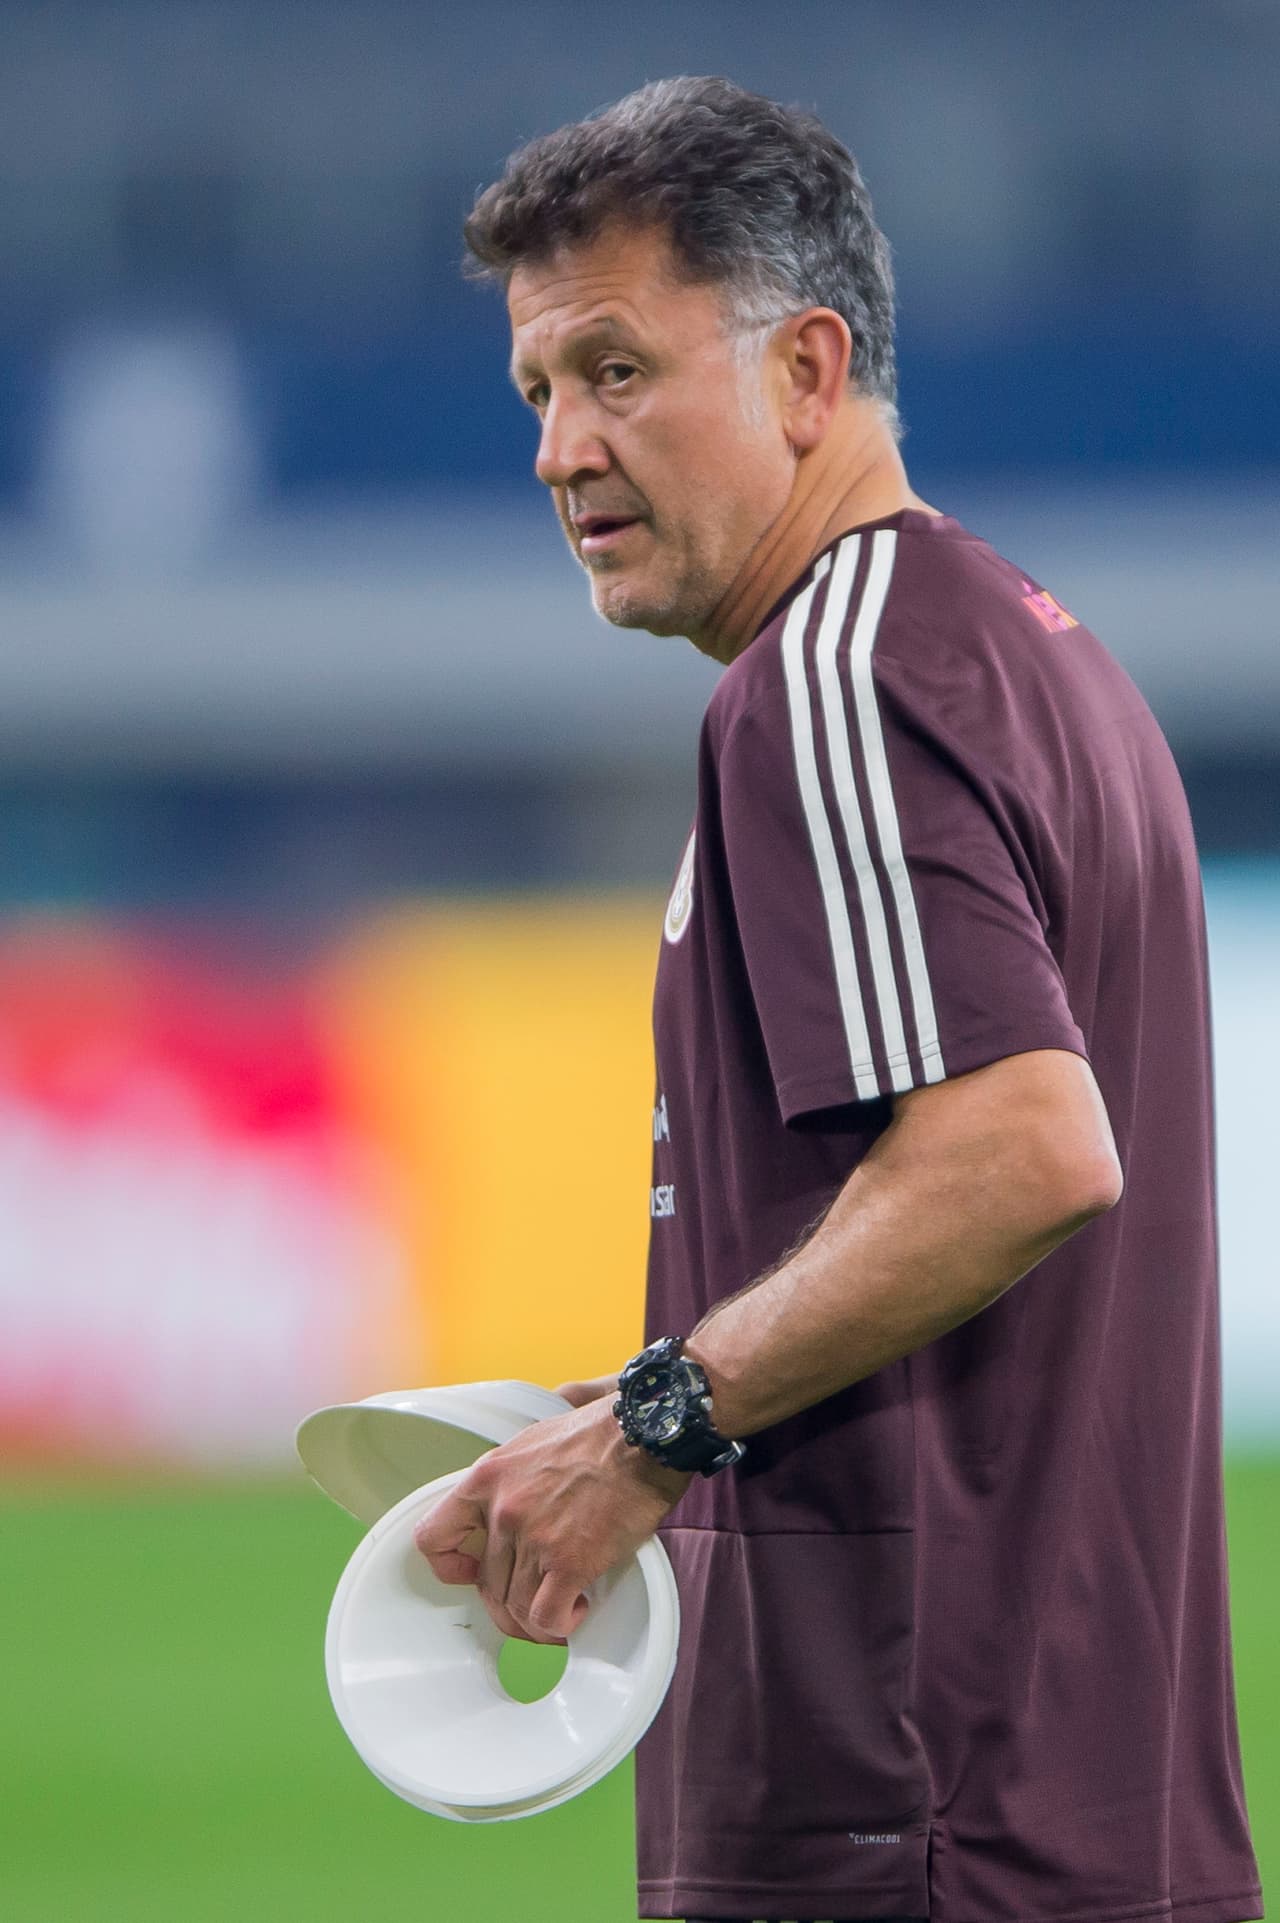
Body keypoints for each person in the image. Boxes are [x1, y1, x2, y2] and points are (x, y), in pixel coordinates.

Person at [416, 76, 1263, 1923]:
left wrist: (653, 1427)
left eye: (618, 372)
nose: (560, 449)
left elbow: (1020, 1152)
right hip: (1070, 1805)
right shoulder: (1033, 654)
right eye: (539, 392)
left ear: (809, 371)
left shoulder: (832, 677)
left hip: (917, 1822)